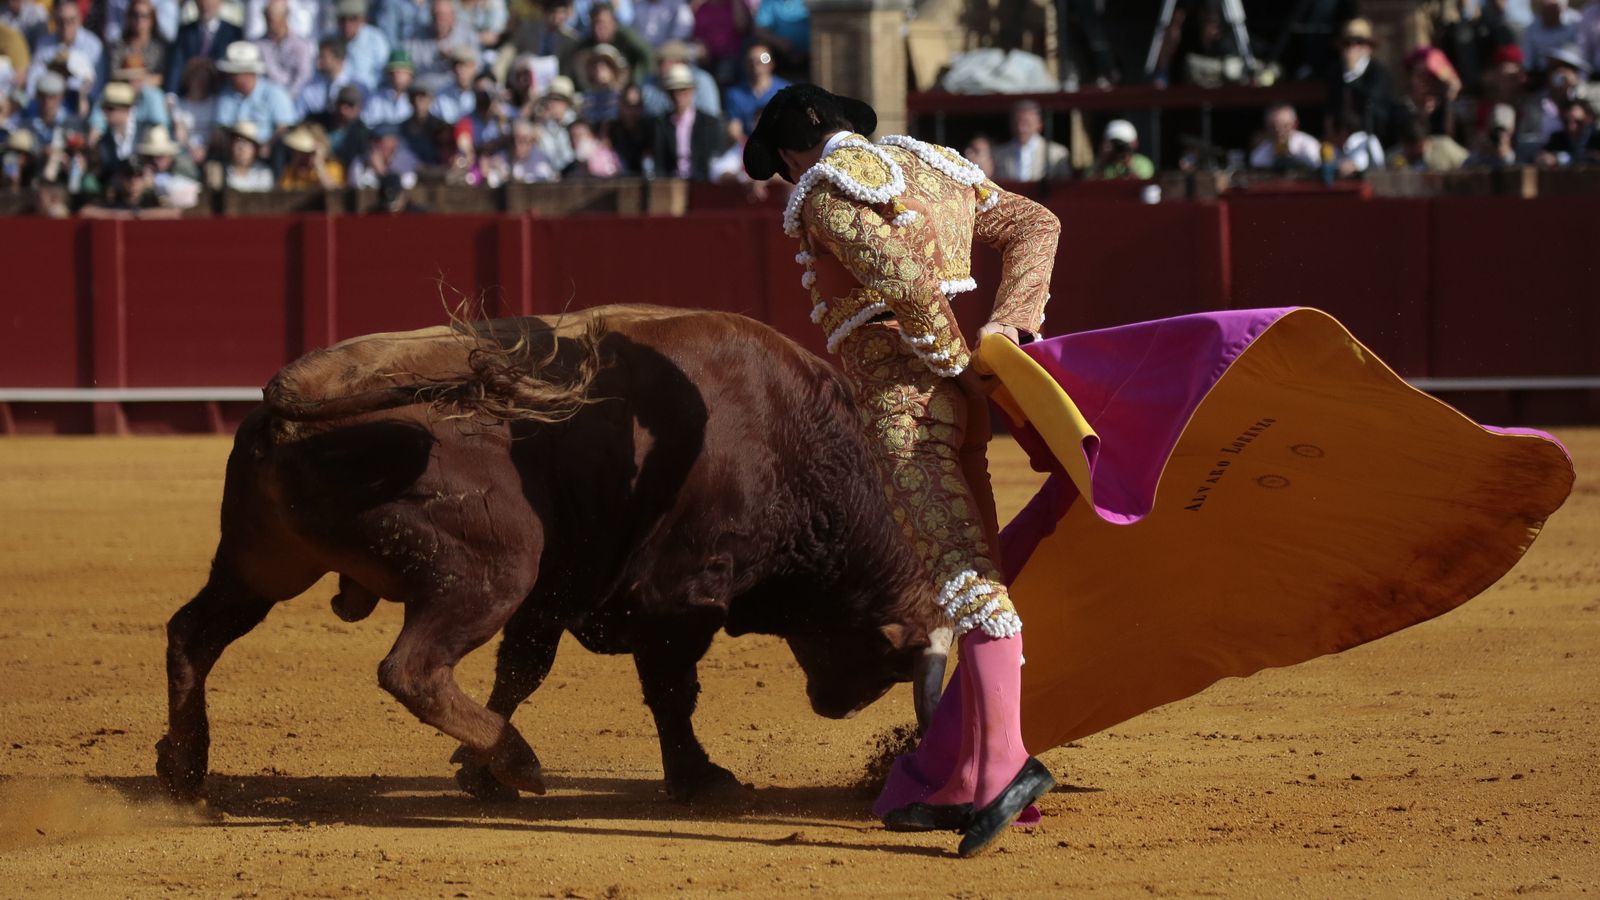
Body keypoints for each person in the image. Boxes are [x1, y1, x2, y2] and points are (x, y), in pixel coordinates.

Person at [742, 84, 1060, 857]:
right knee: (977, 573)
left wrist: (957, 365)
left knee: (964, 578)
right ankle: (966, 771)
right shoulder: (937, 167)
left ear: (789, 153)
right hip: (960, 405)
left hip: (905, 408)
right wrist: (1006, 330)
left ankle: (1006, 768)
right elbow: (1035, 223)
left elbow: (906, 284)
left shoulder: (823, 188)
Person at [1326, 17, 1395, 144]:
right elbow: (1331, 108)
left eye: (1358, 42)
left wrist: (1352, 76)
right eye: (1347, 43)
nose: (1352, 48)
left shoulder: (1379, 73)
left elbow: (1371, 104)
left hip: (1372, 139)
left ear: (1368, 47)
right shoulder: (1335, 72)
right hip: (1340, 139)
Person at [648, 61, 720, 179]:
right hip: (670, 186)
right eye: (673, 91)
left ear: (692, 90)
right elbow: (659, 162)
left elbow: (714, 161)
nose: (678, 96)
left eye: (683, 90)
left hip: (701, 186)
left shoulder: (709, 123)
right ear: (667, 94)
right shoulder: (660, 124)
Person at [164, 0, 241, 94]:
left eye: (210, 2)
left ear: (220, 3)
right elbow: (177, 63)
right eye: (202, 1)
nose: (205, 6)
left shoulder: (233, 32)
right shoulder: (185, 32)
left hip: (220, 94)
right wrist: (171, 92)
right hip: (190, 94)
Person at [992, 100, 1070, 181]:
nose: (1021, 129)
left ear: (1039, 124)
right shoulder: (998, 154)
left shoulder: (1058, 153)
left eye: (1027, 123)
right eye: (1017, 123)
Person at [722, 43, 786, 133]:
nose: (755, 65)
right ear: (745, 64)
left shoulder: (786, 92)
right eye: (751, 60)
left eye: (762, 60)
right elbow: (734, 130)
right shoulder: (734, 94)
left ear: (772, 63)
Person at [255, 0, 314, 94]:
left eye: (272, 19)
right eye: (267, 18)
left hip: (294, 97)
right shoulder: (258, 45)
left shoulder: (301, 45)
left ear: (285, 18)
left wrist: (286, 97)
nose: (269, 23)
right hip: (266, 97)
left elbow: (304, 77)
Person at [1249, 103, 1320, 170]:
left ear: (1295, 124)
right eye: (1273, 126)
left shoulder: (1310, 146)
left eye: (1285, 126)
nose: (1279, 131)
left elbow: (1318, 166)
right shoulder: (1260, 154)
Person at [1085, 118, 1153, 180]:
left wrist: (1129, 166)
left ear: (1134, 144)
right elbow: (1086, 186)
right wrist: (1102, 161)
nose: (1119, 148)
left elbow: (1142, 187)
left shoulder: (1143, 164)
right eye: (1115, 144)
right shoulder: (1098, 164)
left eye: (1123, 144)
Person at [222, 120, 273, 190]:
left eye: (247, 143)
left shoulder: (263, 173)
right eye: (238, 141)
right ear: (230, 145)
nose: (242, 148)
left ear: (255, 149)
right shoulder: (219, 171)